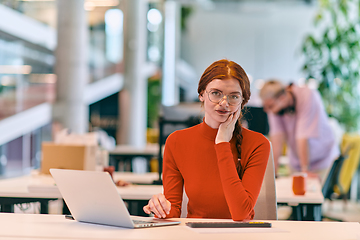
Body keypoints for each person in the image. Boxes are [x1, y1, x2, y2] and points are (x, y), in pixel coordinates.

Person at [143, 59, 270, 221]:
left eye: (234, 96)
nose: (224, 103)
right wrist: (161, 208)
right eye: (216, 93)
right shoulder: (177, 141)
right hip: (195, 235)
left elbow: (240, 214)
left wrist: (222, 143)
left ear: (243, 101)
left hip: (240, 234)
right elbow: (173, 210)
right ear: (201, 94)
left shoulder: (258, 144)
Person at [259, 80, 339, 182]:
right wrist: (272, 174)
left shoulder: (307, 96)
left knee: (315, 196)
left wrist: (305, 170)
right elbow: (276, 139)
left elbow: (302, 137)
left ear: (282, 98)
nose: (267, 110)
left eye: (270, 106)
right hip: (296, 162)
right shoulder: (275, 107)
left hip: (322, 159)